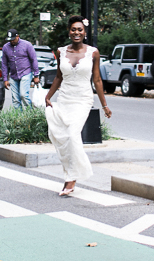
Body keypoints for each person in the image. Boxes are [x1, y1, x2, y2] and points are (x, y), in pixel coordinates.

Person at [44, 16, 112, 196]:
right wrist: (49, 95)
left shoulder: (93, 53)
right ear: (69, 31)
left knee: (73, 134)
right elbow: (58, 77)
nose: (76, 32)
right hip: (65, 98)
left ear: (85, 32)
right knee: (61, 137)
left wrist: (104, 105)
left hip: (83, 99)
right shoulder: (60, 52)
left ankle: (71, 179)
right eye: (73, 29)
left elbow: (96, 80)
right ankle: (69, 172)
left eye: (80, 30)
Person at [0, 29, 40, 110]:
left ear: (18, 36)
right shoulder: (5, 47)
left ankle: (30, 114)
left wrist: (36, 75)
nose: (11, 41)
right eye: (10, 40)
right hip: (13, 75)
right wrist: (5, 79)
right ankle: (19, 118)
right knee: (15, 99)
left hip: (25, 72)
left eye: (13, 39)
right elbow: (4, 63)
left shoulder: (27, 45)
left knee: (23, 95)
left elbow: (33, 59)